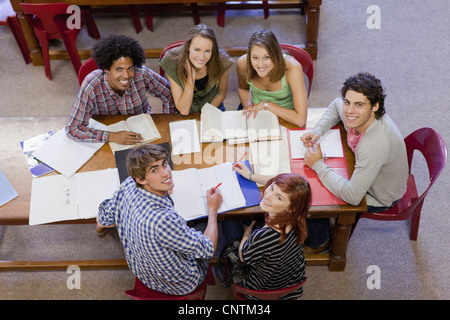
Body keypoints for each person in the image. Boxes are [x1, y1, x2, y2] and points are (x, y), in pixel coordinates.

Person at [96, 143, 223, 295]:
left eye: (164, 164)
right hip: (181, 284)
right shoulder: (162, 220)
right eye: (155, 170)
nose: (166, 173)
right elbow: (208, 249)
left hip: (141, 270)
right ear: (142, 180)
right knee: (204, 222)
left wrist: (160, 186)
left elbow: (103, 218)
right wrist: (213, 210)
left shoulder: (129, 183)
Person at [301, 72, 409, 251]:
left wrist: (318, 165)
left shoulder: (374, 144)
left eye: (359, 105)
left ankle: (319, 241)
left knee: (312, 194)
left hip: (378, 195)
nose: (349, 111)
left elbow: (352, 196)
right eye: (347, 102)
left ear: (375, 106)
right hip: (363, 170)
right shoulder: (357, 115)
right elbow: (335, 106)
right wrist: (318, 131)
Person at [66, 34, 175, 144]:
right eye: (119, 69)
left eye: (130, 68)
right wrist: (111, 136)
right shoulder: (91, 85)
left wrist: (167, 123)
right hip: (105, 133)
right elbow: (72, 129)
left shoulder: (142, 73)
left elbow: (169, 95)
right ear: (106, 68)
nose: (126, 75)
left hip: (141, 127)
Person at [228, 167, 310, 299]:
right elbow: (280, 186)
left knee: (229, 225)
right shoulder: (299, 217)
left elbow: (244, 257)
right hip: (291, 281)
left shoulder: (263, 236)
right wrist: (251, 175)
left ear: (290, 208)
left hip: (262, 287)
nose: (268, 195)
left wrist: (247, 233)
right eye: (272, 188)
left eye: (278, 197)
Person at [236, 30, 308, 127]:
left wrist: (266, 105)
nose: (260, 64)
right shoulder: (243, 63)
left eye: (266, 57)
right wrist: (249, 107)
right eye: (255, 57)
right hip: (258, 113)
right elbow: (242, 88)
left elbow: (300, 120)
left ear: (276, 55)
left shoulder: (292, 67)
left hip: (286, 117)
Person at [159, 24, 233, 114]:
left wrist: (205, 114)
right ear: (188, 47)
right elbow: (184, 110)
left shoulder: (223, 61)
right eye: (197, 50)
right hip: (184, 106)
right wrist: (190, 77)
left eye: (207, 51)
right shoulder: (171, 62)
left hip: (212, 106)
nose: (201, 57)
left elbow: (221, 94)